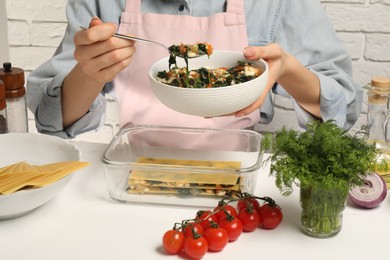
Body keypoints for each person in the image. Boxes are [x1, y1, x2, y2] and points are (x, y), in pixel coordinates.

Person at [27, 0, 362, 139]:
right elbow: (51, 118)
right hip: (134, 170)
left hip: (238, 178)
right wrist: (89, 72)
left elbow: (343, 107)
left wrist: (289, 71)